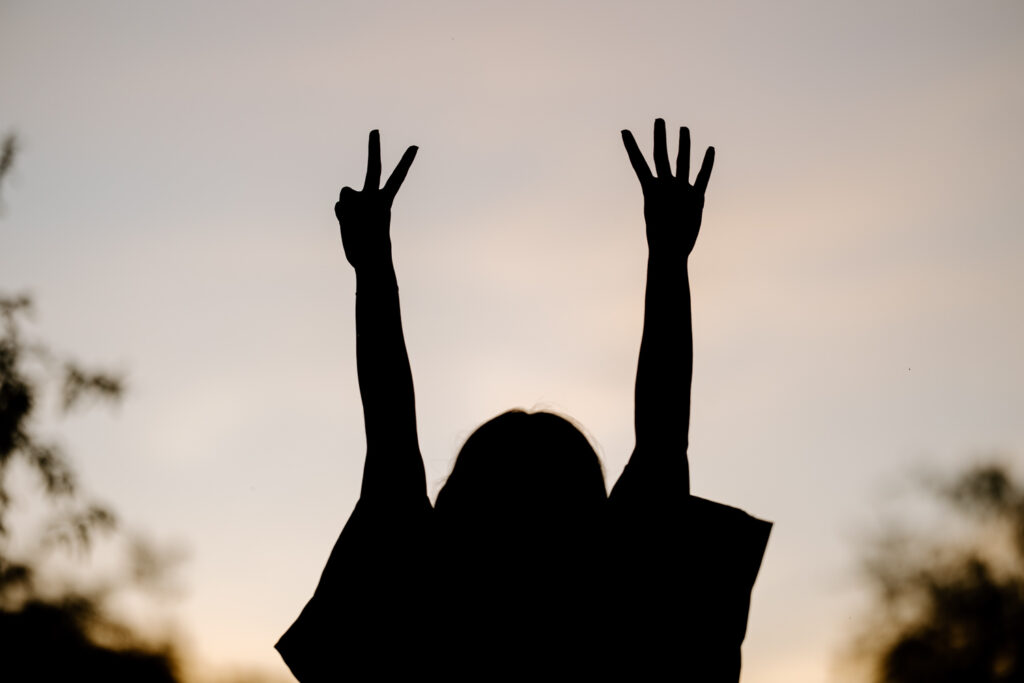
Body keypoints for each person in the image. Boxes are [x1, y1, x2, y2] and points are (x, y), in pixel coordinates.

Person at [276, 121, 771, 681]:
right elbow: (662, 438)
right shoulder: (622, 594)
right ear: (590, 502)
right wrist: (669, 256)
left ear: (457, 497)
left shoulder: (422, 594)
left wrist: (372, 268)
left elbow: (392, 443)